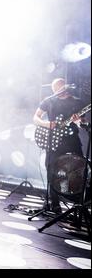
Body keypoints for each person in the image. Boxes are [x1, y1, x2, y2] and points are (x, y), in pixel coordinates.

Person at [33, 78, 87, 214]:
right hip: (53, 142)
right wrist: (47, 124)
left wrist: (79, 120)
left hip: (71, 140)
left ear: (66, 86)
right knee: (51, 170)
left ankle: (78, 207)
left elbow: (83, 123)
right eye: (55, 89)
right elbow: (36, 117)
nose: (58, 90)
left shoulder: (77, 102)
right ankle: (55, 204)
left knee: (78, 171)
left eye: (60, 87)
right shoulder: (49, 101)